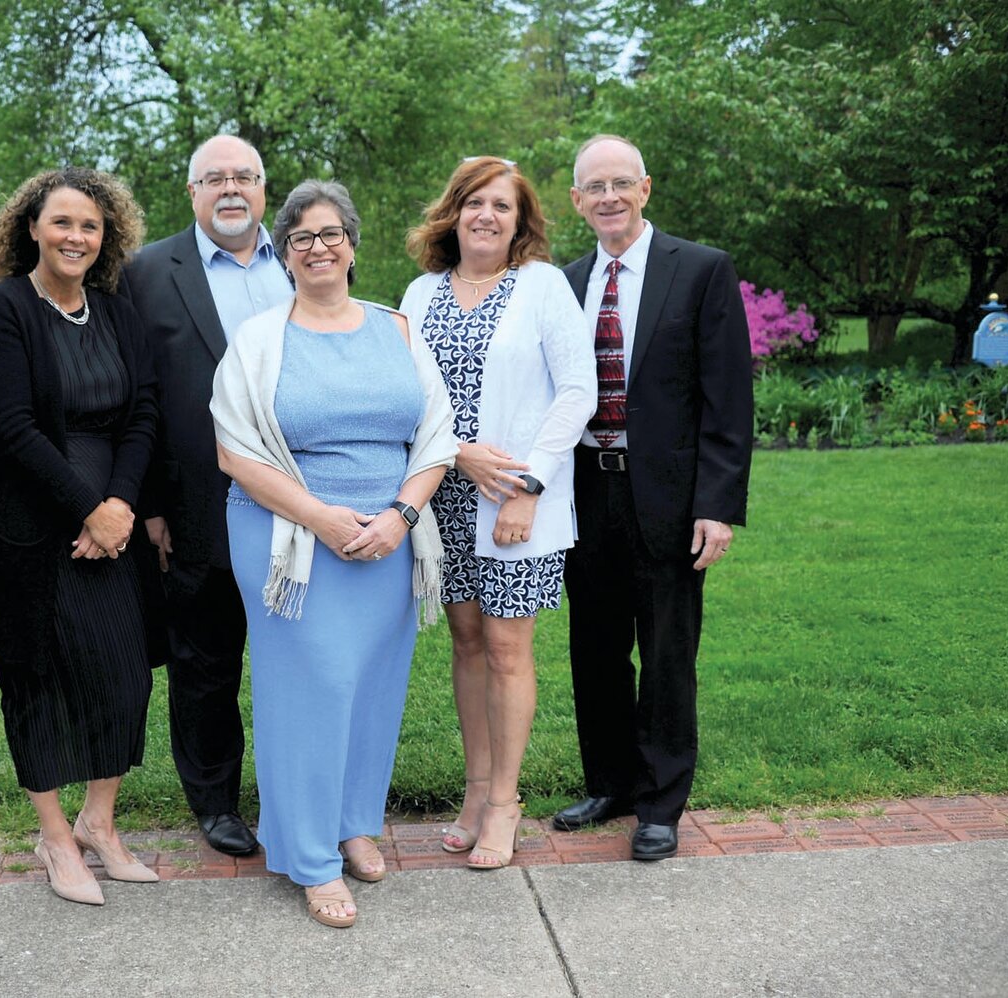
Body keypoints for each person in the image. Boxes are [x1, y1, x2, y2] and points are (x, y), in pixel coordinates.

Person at [211, 180, 458, 928]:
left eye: (329, 234)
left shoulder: (397, 327)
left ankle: (354, 823)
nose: (316, 248)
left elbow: (437, 436)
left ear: (351, 245)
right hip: (287, 540)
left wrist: (399, 514)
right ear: (284, 255)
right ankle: (310, 857)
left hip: (388, 537)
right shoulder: (260, 338)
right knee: (310, 689)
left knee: (375, 687)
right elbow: (233, 449)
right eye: (299, 238)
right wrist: (320, 517)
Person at [0, 168, 159, 906]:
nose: (76, 237)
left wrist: (119, 509)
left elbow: (143, 416)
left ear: (107, 238)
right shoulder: (2, 310)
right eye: (62, 223)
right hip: (32, 531)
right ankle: (52, 838)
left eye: (90, 226)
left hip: (113, 523)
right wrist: (86, 510)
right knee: (38, 679)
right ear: (30, 229)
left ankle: (98, 823)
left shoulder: (115, 313)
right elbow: (11, 426)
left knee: (125, 676)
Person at [553, 134, 753, 861]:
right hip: (583, 496)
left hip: (668, 498)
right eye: (592, 187)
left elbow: (727, 399)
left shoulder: (699, 270)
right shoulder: (562, 281)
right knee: (595, 649)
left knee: (667, 653)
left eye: (619, 183)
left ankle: (661, 803)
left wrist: (717, 504)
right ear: (576, 202)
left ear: (644, 189)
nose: (607, 197)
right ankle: (610, 783)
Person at [401, 157, 596, 870]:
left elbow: (576, 391)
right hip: (445, 496)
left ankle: (506, 803)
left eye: (501, 206)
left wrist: (525, 486)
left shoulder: (541, 287)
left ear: (520, 222)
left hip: (519, 501)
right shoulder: (419, 294)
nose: (485, 215)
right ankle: (475, 792)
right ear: (452, 213)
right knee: (466, 644)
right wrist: (457, 455)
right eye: (473, 202)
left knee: (509, 649)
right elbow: (410, 399)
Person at [120, 135, 293, 856]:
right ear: (190, 192)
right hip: (197, 503)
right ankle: (216, 803)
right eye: (213, 177)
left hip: (301, 502)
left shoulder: (305, 258)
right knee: (205, 664)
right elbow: (138, 397)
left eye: (243, 177)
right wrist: (152, 504)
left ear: (262, 189)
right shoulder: (147, 273)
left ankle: (298, 799)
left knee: (298, 660)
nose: (230, 188)